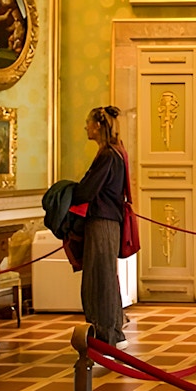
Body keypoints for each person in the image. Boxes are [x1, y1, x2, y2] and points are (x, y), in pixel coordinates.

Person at [70, 106, 129, 349]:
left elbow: (86, 191)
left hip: (102, 222)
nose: (85, 127)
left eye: (87, 122)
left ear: (97, 126)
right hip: (108, 221)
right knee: (105, 277)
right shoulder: (115, 152)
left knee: (98, 280)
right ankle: (113, 333)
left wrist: (68, 192)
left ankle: (106, 339)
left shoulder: (107, 156)